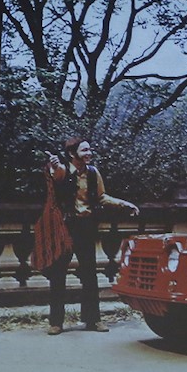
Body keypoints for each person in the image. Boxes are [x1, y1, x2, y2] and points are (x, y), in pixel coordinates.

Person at [32, 136, 140, 335]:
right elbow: (56, 177)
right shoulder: (63, 169)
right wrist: (54, 167)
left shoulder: (92, 173)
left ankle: (93, 320)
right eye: (84, 151)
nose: (89, 153)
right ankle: (56, 322)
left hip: (86, 226)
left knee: (89, 274)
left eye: (89, 150)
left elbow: (101, 196)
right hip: (64, 227)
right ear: (73, 154)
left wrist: (124, 204)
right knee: (58, 274)